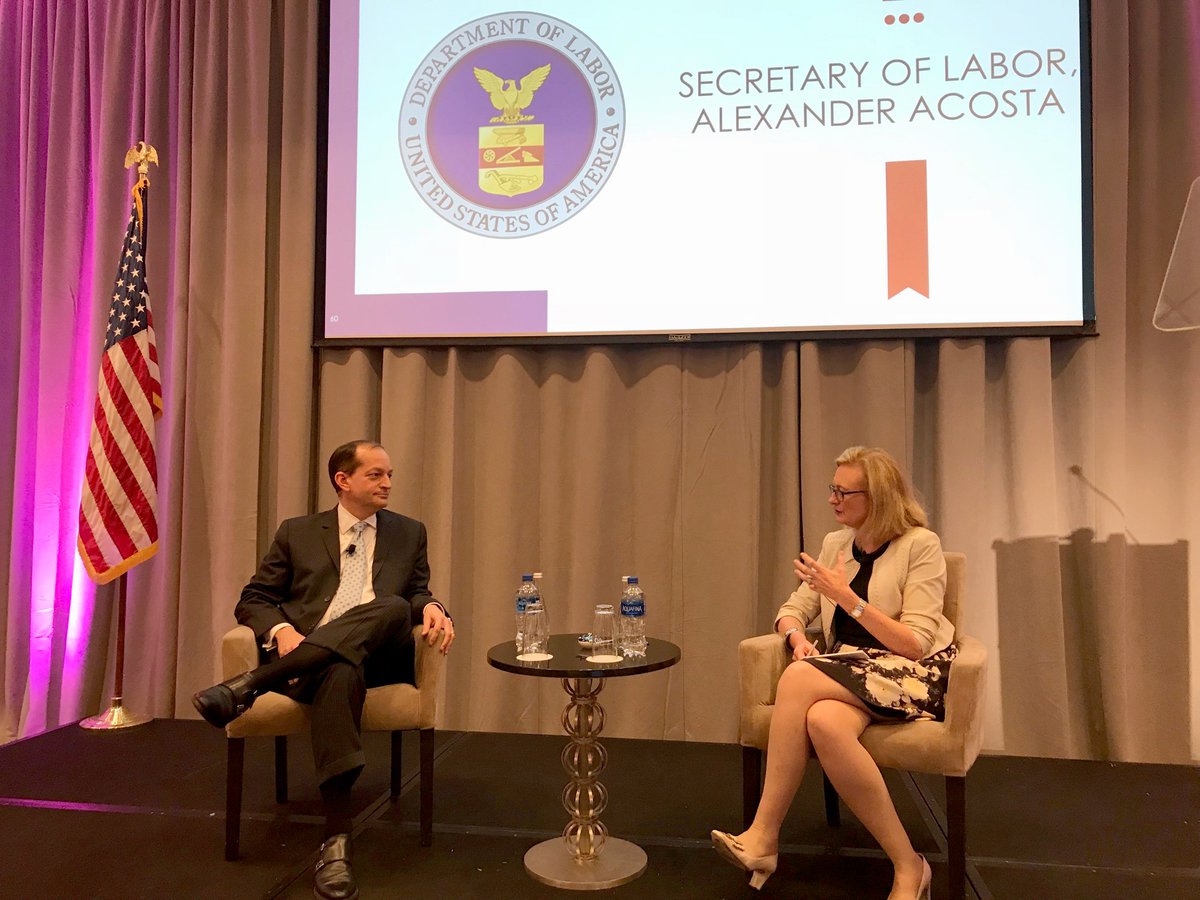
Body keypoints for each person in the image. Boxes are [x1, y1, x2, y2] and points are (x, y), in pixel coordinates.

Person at [193, 439, 454, 900]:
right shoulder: (298, 532)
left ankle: (248, 685)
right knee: (340, 670)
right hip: (313, 665)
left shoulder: (409, 532)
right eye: (376, 474)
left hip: (379, 657)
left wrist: (432, 605)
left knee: (392, 604)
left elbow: (415, 591)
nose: (388, 483)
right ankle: (336, 840)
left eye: (390, 474)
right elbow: (253, 598)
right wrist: (280, 631)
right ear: (343, 480)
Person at [711, 446, 954, 900]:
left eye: (844, 491)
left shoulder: (921, 545)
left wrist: (847, 598)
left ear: (877, 497)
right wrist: (797, 639)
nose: (832, 500)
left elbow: (916, 642)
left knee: (799, 679)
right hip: (850, 672)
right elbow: (793, 609)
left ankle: (764, 835)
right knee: (822, 721)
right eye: (832, 489)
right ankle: (909, 866)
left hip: (908, 676)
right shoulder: (835, 544)